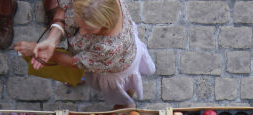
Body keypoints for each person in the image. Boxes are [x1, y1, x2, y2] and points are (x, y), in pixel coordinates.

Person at [13, 0, 155, 108]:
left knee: (121, 92)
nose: (80, 33)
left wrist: (40, 51)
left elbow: (74, 63)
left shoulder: (108, 48)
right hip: (95, 60)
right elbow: (63, 8)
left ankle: (125, 104)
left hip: (116, 67)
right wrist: (51, 41)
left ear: (106, 24)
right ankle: (87, 76)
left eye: (89, 29)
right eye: (79, 24)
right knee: (89, 71)